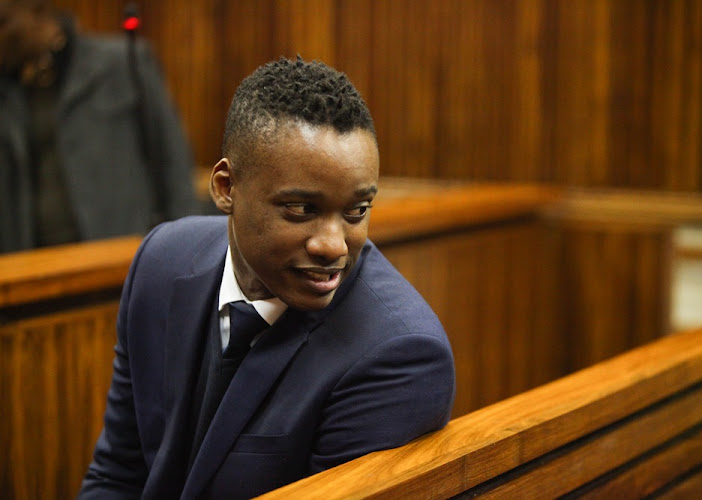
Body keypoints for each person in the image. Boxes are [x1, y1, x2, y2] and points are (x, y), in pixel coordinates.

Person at [78, 57, 456, 499]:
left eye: (356, 211)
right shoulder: (161, 263)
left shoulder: (399, 354)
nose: (334, 246)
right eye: (301, 210)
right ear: (226, 188)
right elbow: (117, 475)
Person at [0, 1, 197, 253]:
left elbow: (173, 161)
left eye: (3, 23)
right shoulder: (8, 90)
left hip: (121, 256)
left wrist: (185, 249)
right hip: (31, 265)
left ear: (37, 12)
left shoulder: (123, 61)